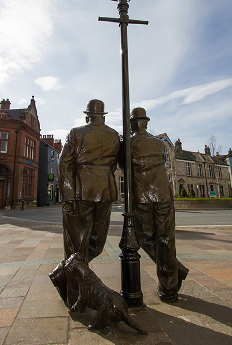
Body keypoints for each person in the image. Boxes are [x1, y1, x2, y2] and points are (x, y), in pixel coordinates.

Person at [57, 99, 120, 307]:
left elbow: (64, 163)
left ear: (87, 116)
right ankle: (73, 281)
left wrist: (67, 195)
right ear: (103, 116)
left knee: (76, 246)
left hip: (80, 192)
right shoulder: (114, 135)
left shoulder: (76, 133)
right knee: (96, 243)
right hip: (106, 191)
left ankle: (73, 293)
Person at [130, 107, 189, 302]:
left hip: (144, 195)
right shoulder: (160, 143)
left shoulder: (129, 144)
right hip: (164, 194)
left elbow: (124, 167)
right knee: (166, 239)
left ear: (134, 123)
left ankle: (174, 272)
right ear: (145, 123)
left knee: (144, 237)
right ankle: (169, 288)